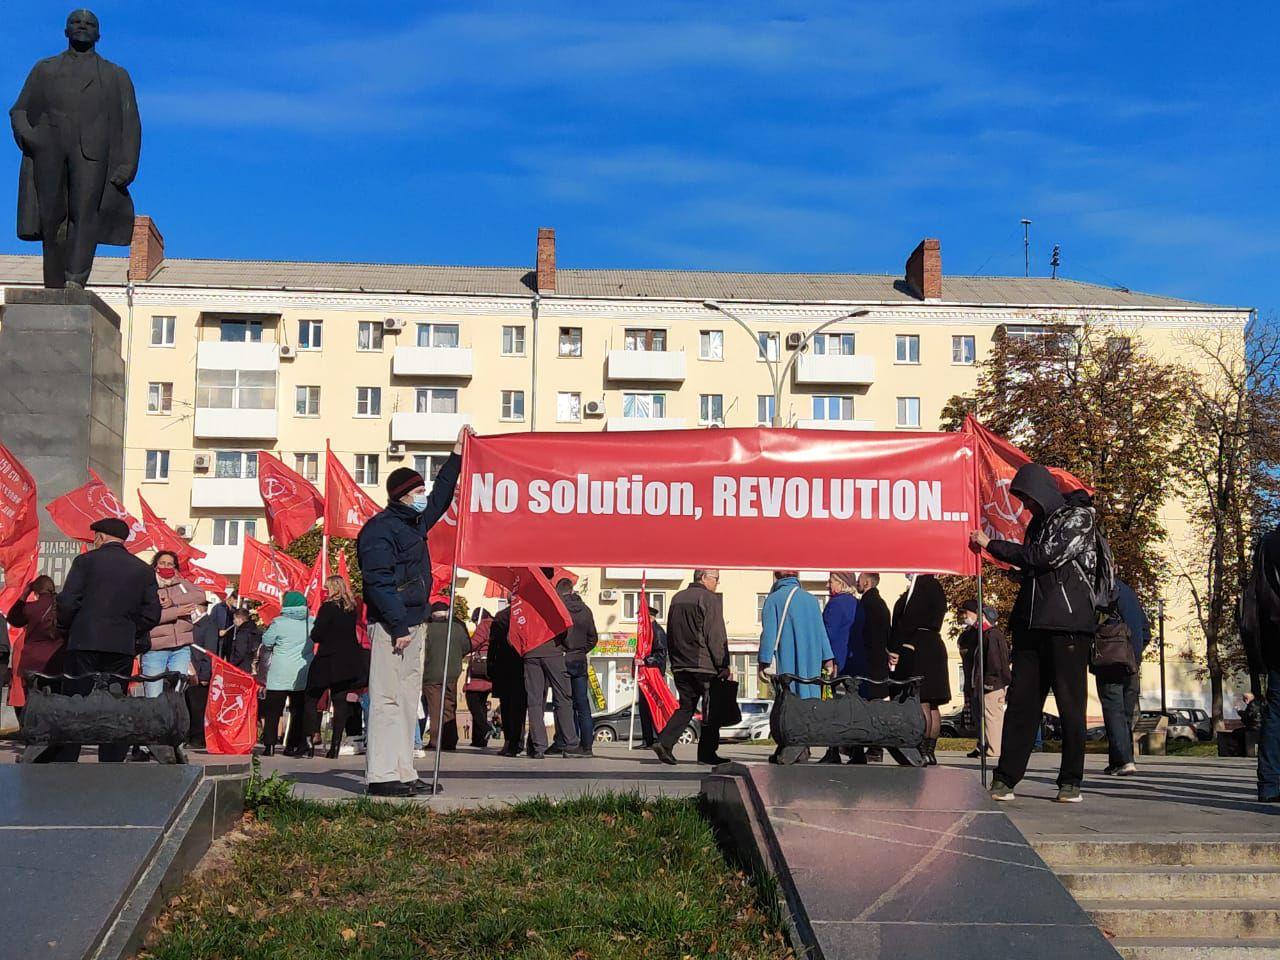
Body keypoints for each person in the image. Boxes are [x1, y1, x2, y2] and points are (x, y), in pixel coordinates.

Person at [971, 462, 1099, 804]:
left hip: (1068, 626)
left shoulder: (1080, 517)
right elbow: (1034, 568)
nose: (1025, 507)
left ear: (1042, 492)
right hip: (1032, 624)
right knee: (1022, 705)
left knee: (1071, 707)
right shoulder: (1040, 524)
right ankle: (1006, 778)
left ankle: (1070, 781)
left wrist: (992, 545)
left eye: (1027, 499)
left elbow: (1045, 557)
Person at [357, 426, 466, 798]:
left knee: (407, 702)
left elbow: (441, 499)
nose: (423, 498)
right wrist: (398, 623)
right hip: (393, 626)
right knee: (386, 699)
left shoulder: (413, 522)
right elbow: (377, 582)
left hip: (414, 624)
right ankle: (381, 774)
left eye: (422, 491)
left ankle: (403, 771)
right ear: (403, 496)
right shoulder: (378, 532)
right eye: (417, 492)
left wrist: (456, 456)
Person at [52, 517, 161, 762]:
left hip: (84, 642)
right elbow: (152, 613)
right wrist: (130, 630)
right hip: (121, 648)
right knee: (114, 703)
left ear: (100, 537)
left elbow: (68, 601)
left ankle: (66, 759)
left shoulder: (85, 562)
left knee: (76, 702)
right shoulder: (142, 569)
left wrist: (68, 626)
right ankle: (111, 759)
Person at [655, 569, 730, 766]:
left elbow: (670, 631)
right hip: (703, 664)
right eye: (716, 579)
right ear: (703, 577)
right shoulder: (709, 599)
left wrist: (674, 660)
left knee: (686, 706)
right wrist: (723, 663)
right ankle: (707, 754)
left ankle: (664, 742)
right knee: (710, 709)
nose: (717, 583)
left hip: (680, 664)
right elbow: (715, 634)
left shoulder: (676, 598)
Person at [760, 571, 836, 765]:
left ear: (776, 576)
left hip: (787, 663)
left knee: (788, 702)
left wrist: (764, 660)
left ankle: (793, 745)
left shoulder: (773, 600)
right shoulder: (811, 600)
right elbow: (821, 632)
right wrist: (828, 659)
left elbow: (769, 634)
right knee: (807, 700)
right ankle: (802, 744)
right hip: (811, 662)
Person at [523, 571, 585, 760]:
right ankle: (570, 745)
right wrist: (564, 645)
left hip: (530, 653)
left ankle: (538, 746)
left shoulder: (525, 597)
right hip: (553, 651)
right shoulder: (553, 596)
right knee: (563, 698)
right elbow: (566, 624)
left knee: (534, 701)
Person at [889, 573, 950, 766]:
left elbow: (909, 619)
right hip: (934, 645)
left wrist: (895, 645)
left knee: (922, 699)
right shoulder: (936, 587)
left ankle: (922, 749)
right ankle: (930, 751)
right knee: (933, 704)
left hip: (920, 646)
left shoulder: (921, 586)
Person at [305, 576, 368, 758]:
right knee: (340, 702)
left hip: (327, 659)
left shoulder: (328, 608)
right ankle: (335, 747)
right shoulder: (351, 608)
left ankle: (312, 735)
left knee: (311, 697)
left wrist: (315, 633)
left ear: (332, 588)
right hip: (347, 661)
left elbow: (317, 634)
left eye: (326, 588)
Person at [1241, 525, 1280, 802]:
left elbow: (1258, 594)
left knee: (1276, 712)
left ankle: (1269, 784)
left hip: (1276, 636)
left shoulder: (1269, 544)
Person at [1097, 579, 1150, 776]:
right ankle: (1118, 760)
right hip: (1132, 663)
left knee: (1113, 711)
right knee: (1125, 714)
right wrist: (1135, 653)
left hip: (1110, 659)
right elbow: (1146, 631)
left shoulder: (1102, 590)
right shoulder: (1129, 592)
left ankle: (1124, 760)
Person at [140, 551, 204, 698]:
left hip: (181, 649)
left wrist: (175, 602)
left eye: (170, 564)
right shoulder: (147, 585)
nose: (166, 566)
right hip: (156, 649)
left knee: (177, 696)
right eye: (162, 563)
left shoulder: (181, 584)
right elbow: (146, 617)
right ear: (155, 565)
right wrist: (176, 612)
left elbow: (200, 595)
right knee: (153, 696)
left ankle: (173, 721)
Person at [258, 591, 314, 757]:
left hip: (279, 673)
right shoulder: (311, 623)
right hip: (302, 672)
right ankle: (292, 745)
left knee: (273, 711)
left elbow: (267, 641)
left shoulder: (279, 622)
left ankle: (270, 746)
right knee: (298, 711)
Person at [551, 574, 599, 757]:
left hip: (562, 660)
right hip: (579, 660)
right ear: (572, 590)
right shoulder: (586, 610)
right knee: (583, 704)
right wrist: (581, 650)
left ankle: (566, 741)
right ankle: (587, 746)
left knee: (563, 703)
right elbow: (593, 638)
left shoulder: (559, 609)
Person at [818, 571, 861, 764]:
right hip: (854, 664)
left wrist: (827, 659)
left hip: (836, 665)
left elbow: (828, 634)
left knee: (835, 709)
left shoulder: (835, 605)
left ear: (842, 583)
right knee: (853, 709)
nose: (828, 585)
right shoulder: (857, 604)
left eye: (831, 581)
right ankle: (856, 750)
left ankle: (833, 750)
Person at [959, 600, 1011, 759]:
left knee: (991, 717)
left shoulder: (992, 635)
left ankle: (993, 750)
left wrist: (989, 682)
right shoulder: (984, 635)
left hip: (991, 685)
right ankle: (985, 746)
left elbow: (995, 662)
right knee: (983, 717)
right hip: (982, 683)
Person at [7, 576, 64, 716]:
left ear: (36, 590)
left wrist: (25, 593)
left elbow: (13, 618)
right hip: (57, 661)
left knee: (33, 702)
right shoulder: (63, 607)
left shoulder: (31, 608)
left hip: (32, 664)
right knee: (56, 701)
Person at [851, 572, 892, 763]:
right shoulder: (881, 604)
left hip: (867, 662)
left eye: (859, 579)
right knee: (876, 705)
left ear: (866, 582)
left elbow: (859, 633)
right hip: (878, 662)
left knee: (865, 707)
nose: (857, 582)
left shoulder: (866, 604)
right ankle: (874, 748)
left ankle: (869, 747)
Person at [422, 600, 470, 752]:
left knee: (435, 707)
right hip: (452, 672)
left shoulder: (426, 629)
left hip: (431, 674)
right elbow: (467, 647)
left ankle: (436, 740)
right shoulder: (456, 627)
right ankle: (450, 740)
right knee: (450, 706)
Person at [488, 605, 528, 756]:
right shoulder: (526, 616)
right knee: (520, 707)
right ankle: (518, 742)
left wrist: (490, 667)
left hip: (503, 667)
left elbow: (493, 645)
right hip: (522, 666)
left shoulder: (500, 617)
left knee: (507, 707)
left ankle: (510, 742)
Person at [637, 605, 668, 748]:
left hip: (654, 676)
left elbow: (660, 655)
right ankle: (647, 739)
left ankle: (657, 738)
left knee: (654, 706)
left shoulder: (657, 632)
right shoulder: (644, 632)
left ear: (650, 617)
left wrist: (645, 661)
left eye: (641, 617)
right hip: (644, 675)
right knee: (643, 707)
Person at [464, 609, 494, 749]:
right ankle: (479, 739)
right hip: (491, 671)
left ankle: (485, 728)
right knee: (481, 705)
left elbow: (474, 643)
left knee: (473, 701)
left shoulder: (484, 624)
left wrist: (465, 646)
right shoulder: (496, 624)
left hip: (479, 670)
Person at [226, 606, 261, 672]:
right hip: (252, 666)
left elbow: (240, 653)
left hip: (242, 667)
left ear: (239, 619)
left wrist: (230, 665)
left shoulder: (243, 633)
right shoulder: (254, 629)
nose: (233, 621)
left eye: (234, 619)